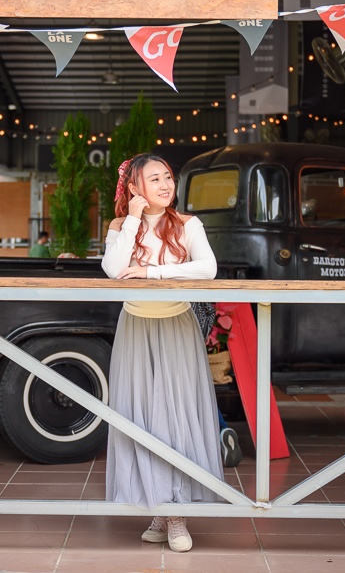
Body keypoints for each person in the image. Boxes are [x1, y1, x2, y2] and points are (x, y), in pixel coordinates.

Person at [101, 153, 222, 553]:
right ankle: (159, 504)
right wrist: (133, 219)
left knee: (175, 415)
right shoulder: (121, 227)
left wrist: (152, 273)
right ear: (135, 188)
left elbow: (208, 269)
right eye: (154, 179)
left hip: (176, 326)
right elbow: (113, 269)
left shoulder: (188, 224)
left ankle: (176, 514)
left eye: (168, 177)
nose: (166, 185)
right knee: (141, 416)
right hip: (135, 326)